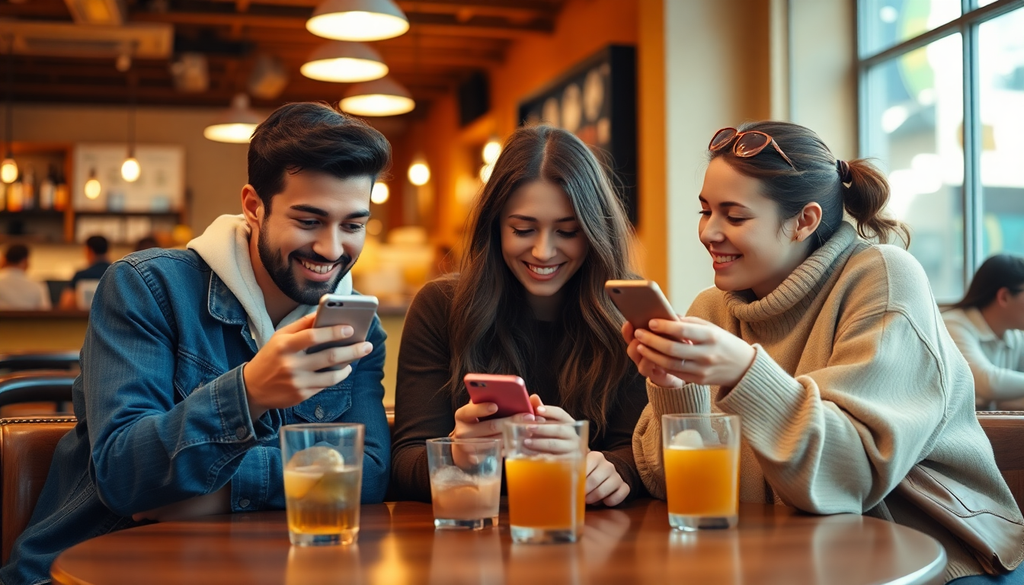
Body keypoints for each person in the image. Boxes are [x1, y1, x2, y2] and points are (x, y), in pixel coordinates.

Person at [0, 102, 393, 585]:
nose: (332, 249)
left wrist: (211, 496)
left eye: (353, 226)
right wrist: (248, 392)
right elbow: (123, 473)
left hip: (253, 569)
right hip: (89, 568)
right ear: (254, 206)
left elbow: (369, 474)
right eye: (309, 220)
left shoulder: (356, 326)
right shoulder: (148, 288)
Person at [626, 122, 1023, 583]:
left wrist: (744, 373)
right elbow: (669, 488)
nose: (709, 232)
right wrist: (673, 388)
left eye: (734, 216)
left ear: (805, 221)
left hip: (933, 561)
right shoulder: (711, 309)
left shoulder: (883, 279)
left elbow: (845, 478)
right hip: (785, 560)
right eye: (705, 211)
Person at [390, 125, 648, 507]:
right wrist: (458, 454)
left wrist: (610, 469)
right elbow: (404, 464)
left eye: (568, 232)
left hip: (587, 542)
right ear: (495, 227)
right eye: (524, 229)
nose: (544, 251)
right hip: (472, 546)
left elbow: (640, 452)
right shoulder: (441, 306)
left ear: (596, 232)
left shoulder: (627, 308)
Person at [943, 254, 1024, 410]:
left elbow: (1006, 399)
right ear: (1004, 297)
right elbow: (988, 383)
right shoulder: (952, 325)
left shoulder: (1014, 336)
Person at [58, 234, 112, 309]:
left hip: (83, 319)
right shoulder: (116, 274)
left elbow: (66, 304)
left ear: (89, 251)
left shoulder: (81, 276)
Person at [0, 244, 51, 310]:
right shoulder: (37, 285)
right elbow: (45, 311)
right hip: (29, 320)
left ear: (4, 260)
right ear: (25, 261)